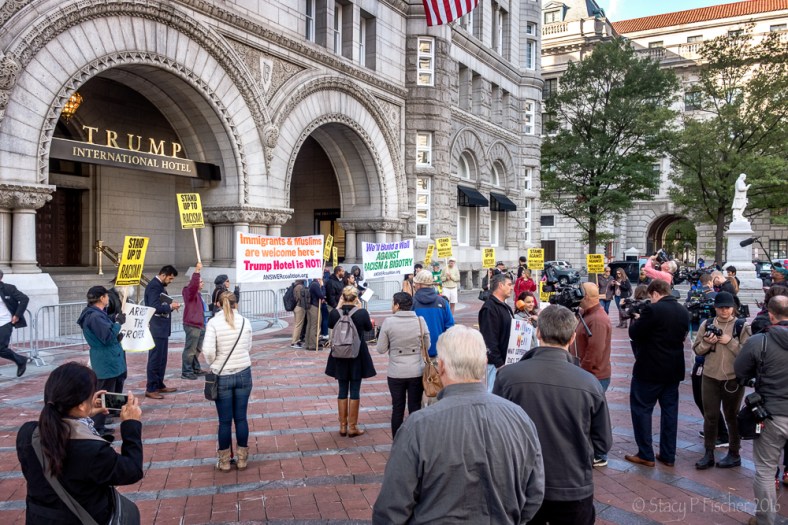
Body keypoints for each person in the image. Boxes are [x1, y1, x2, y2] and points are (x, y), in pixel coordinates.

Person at [372, 325, 545, 524]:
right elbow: (534, 493)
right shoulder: (519, 418)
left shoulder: (418, 426)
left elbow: (391, 508)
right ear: (484, 363)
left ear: (441, 366)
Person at [495, 306, 612, 525]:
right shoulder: (589, 383)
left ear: (538, 332)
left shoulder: (507, 377)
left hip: (521, 484)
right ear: (573, 336)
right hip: (573, 486)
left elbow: (496, 434)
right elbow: (603, 442)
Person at [16, 362, 143, 524]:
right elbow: (132, 470)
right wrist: (130, 424)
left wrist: (81, 414)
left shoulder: (27, 433)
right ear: (81, 405)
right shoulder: (92, 450)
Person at [625, 279, 691, 467]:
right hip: (673, 369)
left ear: (654, 293)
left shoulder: (653, 310)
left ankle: (646, 453)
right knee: (670, 413)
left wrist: (637, 320)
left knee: (641, 410)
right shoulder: (682, 310)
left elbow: (636, 334)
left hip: (649, 369)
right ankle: (668, 454)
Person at [735, 296, 788, 525]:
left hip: (773, 413)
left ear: (771, 314)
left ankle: (766, 520)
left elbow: (740, 370)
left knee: (766, 470)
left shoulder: (760, 341)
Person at [692, 292, 748, 470]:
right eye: (721, 307)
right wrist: (709, 343)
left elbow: (747, 355)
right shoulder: (707, 324)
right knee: (710, 416)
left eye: (728, 307)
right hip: (710, 376)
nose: (724, 310)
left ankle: (734, 453)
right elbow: (698, 350)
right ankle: (708, 452)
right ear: (715, 307)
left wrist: (729, 341)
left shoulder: (741, 326)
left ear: (733, 308)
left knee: (732, 416)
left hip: (732, 379)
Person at [203, 291, 253, 472]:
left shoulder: (214, 323)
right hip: (243, 372)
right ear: (235, 304)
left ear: (218, 304)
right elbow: (248, 346)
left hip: (222, 374)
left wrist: (214, 362)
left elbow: (208, 351)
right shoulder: (245, 322)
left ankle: (224, 461)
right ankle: (242, 459)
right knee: (241, 418)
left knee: (224, 421)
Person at [76, 286, 127, 438]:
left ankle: (104, 420)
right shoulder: (94, 316)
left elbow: (106, 332)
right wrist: (118, 323)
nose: (108, 299)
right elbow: (107, 336)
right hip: (105, 359)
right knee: (103, 392)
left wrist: (114, 322)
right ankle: (97, 426)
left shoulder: (97, 314)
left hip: (109, 357)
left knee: (109, 390)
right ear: (102, 298)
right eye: (106, 296)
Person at [376, 292, 429, 437]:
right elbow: (427, 345)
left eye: (392, 303)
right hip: (416, 370)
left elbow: (380, 349)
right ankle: (416, 440)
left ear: (397, 305)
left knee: (397, 408)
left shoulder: (388, 322)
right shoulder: (420, 321)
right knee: (415, 407)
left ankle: (398, 442)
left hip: (396, 371)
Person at [326, 286, 376, 437]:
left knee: (342, 389)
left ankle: (342, 426)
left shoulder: (335, 313)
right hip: (357, 354)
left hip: (339, 354)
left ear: (342, 297)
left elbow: (330, 325)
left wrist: (338, 306)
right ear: (356, 298)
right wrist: (359, 307)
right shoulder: (361, 313)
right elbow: (368, 328)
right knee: (355, 389)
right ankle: (352, 426)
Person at [144, 265, 181, 400]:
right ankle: (151, 387)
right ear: (164, 274)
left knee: (162, 358)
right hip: (156, 328)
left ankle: (159, 384)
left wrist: (170, 306)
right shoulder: (154, 286)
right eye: (170, 278)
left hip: (162, 328)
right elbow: (154, 307)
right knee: (155, 358)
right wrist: (170, 306)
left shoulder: (159, 286)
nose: (170, 281)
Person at [479, 273, 514, 392]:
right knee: (493, 395)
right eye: (509, 285)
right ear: (500, 285)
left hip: (506, 362)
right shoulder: (490, 308)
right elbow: (489, 338)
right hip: (497, 365)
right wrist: (499, 363)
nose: (512, 287)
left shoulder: (504, 306)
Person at [412, 270, 454, 359]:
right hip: (439, 352)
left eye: (415, 283)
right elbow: (450, 327)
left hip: (417, 353)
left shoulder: (412, 302)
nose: (414, 285)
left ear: (419, 285)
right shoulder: (443, 302)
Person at [0, 269, 30, 377]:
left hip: (4, 322)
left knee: (1, 348)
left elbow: (24, 299)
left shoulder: (8, 288)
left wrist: (17, 315)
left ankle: (21, 360)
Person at [181, 262, 208, 379]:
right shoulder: (189, 291)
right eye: (200, 281)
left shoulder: (198, 295)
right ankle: (186, 371)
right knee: (190, 349)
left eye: (201, 281)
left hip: (200, 324)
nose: (202, 283)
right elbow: (193, 286)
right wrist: (197, 271)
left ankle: (195, 368)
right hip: (192, 325)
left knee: (196, 349)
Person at [305, 277, 325, 351]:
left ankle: (308, 343)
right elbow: (322, 295)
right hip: (314, 306)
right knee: (315, 325)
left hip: (311, 306)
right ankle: (312, 345)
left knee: (310, 325)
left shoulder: (312, 284)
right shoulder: (315, 284)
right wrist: (322, 286)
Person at [290, 279, 307, 348]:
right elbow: (301, 298)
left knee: (297, 324)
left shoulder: (295, 286)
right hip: (299, 307)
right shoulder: (300, 287)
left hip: (296, 307)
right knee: (298, 325)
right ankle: (295, 342)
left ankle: (295, 340)